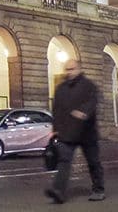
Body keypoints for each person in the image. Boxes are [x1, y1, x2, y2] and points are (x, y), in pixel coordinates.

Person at [45, 59, 105, 204]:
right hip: (67, 132)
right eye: (67, 69)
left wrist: (84, 112)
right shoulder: (61, 88)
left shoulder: (88, 85)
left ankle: (98, 189)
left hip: (86, 132)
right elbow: (56, 110)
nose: (69, 72)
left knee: (93, 161)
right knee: (64, 162)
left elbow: (93, 101)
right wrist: (55, 129)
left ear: (79, 69)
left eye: (72, 69)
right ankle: (58, 191)